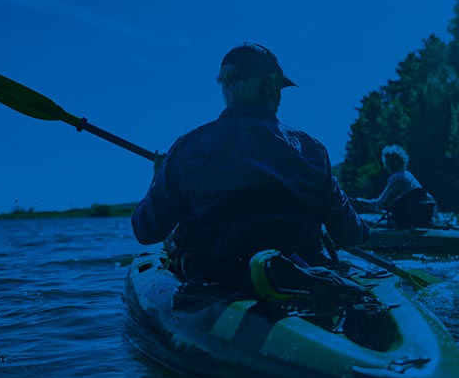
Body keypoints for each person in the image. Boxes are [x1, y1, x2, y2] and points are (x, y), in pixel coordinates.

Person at [131, 42, 369, 290]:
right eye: (279, 88)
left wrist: (157, 178)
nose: (279, 97)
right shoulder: (311, 150)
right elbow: (349, 235)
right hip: (302, 280)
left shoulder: (186, 148)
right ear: (269, 86)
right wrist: (365, 230)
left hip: (212, 287)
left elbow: (146, 230)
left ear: (227, 88)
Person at [353, 145, 437, 229]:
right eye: (387, 162)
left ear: (400, 161)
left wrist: (358, 202)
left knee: (361, 220)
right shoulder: (408, 175)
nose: (389, 165)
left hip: (406, 221)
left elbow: (379, 205)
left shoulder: (398, 178)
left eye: (392, 162)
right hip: (419, 218)